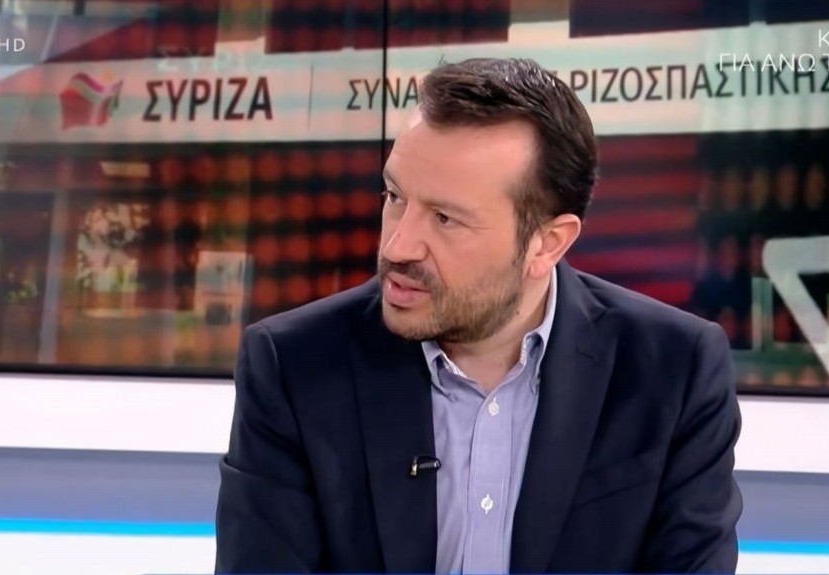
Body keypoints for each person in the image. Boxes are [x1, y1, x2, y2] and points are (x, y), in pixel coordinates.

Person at [215, 57, 743, 574]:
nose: (398, 246)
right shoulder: (295, 366)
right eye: (395, 196)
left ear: (547, 244)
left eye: (446, 218)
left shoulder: (673, 371)